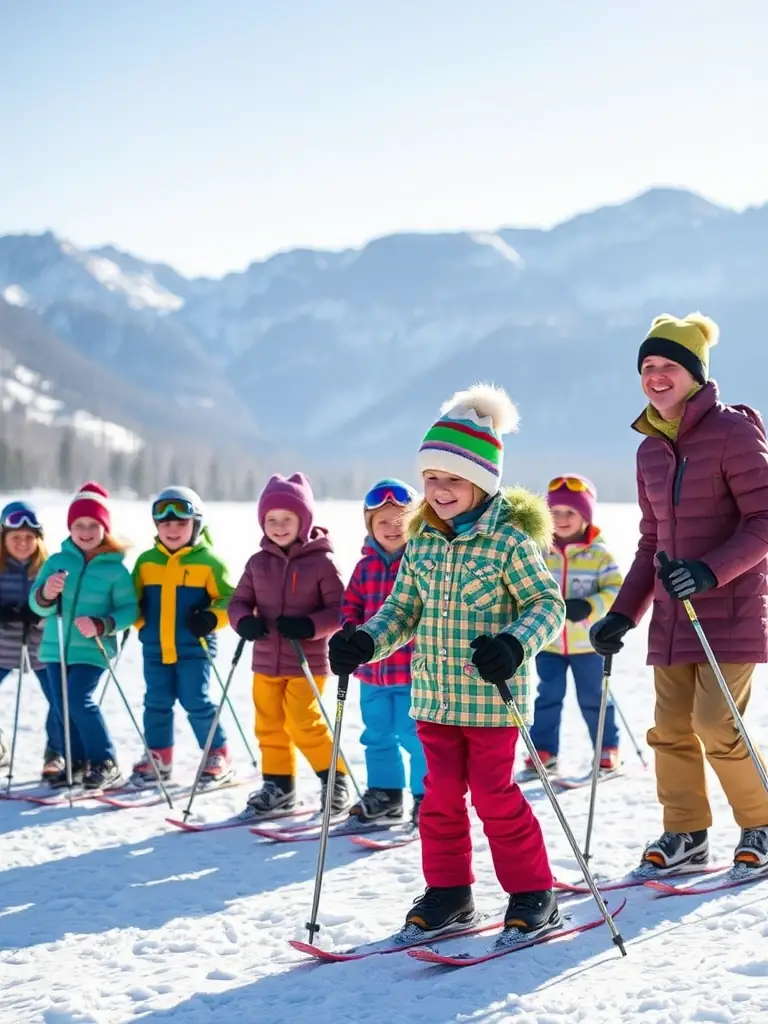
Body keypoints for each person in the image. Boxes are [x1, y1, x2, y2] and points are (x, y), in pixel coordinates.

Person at [329, 384, 566, 937]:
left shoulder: (508, 540)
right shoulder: (424, 542)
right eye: (430, 479)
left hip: (489, 700)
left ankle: (534, 893)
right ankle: (450, 892)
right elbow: (402, 610)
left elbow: (546, 605)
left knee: (495, 797)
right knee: (437, 800)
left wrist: (513, 643)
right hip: (433, 698)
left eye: (451, 478)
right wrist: (365, 640)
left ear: (482, 480)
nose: (437, 490)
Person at [590, 313, 768, 873]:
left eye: (669, 366)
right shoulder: (648, 449)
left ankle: (761, 824)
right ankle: (685, 833)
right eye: (648, 367)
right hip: (672, 614)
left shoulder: (733, 431)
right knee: (669, 731)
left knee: (717, 724)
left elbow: (764, 519)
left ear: (695, 374)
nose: (657, 376)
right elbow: (652, 541)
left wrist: (712, 572)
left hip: (730, 608)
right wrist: (623, 613)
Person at [228, 473, 348, 817]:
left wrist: (309, 625)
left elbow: (340, 609)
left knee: (303, 723)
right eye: (271, 520)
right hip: (265, 660)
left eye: (287, 519)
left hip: (306, 662)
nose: (279, 526)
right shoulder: (257, 563)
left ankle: (335, 780)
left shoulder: (322, 562)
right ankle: (278, 786)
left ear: (304, 521)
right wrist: (243, 621)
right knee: (268, 725)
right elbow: (237, 602)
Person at [29, 482, 138, 789]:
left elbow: (130, 610)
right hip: (55, 648)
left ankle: (105, 761)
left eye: (94, 525)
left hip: (93, 650)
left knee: (79, 700)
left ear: (105, 527)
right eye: (79, 525)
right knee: (62, 706)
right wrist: (46, 594)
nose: (86, 531)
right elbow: (36, 604)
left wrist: (102, 624)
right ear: (70, 527)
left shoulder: (116, 570)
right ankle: (75, 761)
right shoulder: (56, 562)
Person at [520, 475, 623, 780]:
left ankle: (607, 749)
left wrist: (590, 606)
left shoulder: (599, 554)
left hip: (588, 644)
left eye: (570, 513)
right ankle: (544, 751)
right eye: (555, 512)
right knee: (547, 696)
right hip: (548, 644)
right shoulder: (538, 551)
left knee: (594, 697)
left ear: (585, 516)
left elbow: (616, 589)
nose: (561, 519)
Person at [131, 487, 235, 786]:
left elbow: (230, 600)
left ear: (196, 524)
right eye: (165, 524)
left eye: (181, 523)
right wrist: (141, 623)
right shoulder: (146, 562)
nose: (172, 529)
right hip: (154, 648)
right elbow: (131, 600)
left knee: (197, 701)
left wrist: (211, 618)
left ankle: (218, 753)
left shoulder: (210, 563)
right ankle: (158, 756)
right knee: (156, 703)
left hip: (194, 647)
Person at [341, 477, 427, 826]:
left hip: (411, 672)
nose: (391, 528)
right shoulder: (364, 568)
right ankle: (385, 794)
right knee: (376, 734)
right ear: (370, 526)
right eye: (382, 522)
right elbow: (350, 605)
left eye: (399, 521)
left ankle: (426, 795)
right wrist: (348, 629)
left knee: (414, 734)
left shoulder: (422, 564)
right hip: (371, 675)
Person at [0, 501, 63, 780]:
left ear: (39, 539)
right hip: (2, 647)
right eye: (15, 537)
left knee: (60, 699)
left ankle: (56, 752)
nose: (23, 543)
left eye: (29, 537)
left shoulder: (49, 568)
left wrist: (38, 614)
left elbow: (62, 605)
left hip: (40, 648)